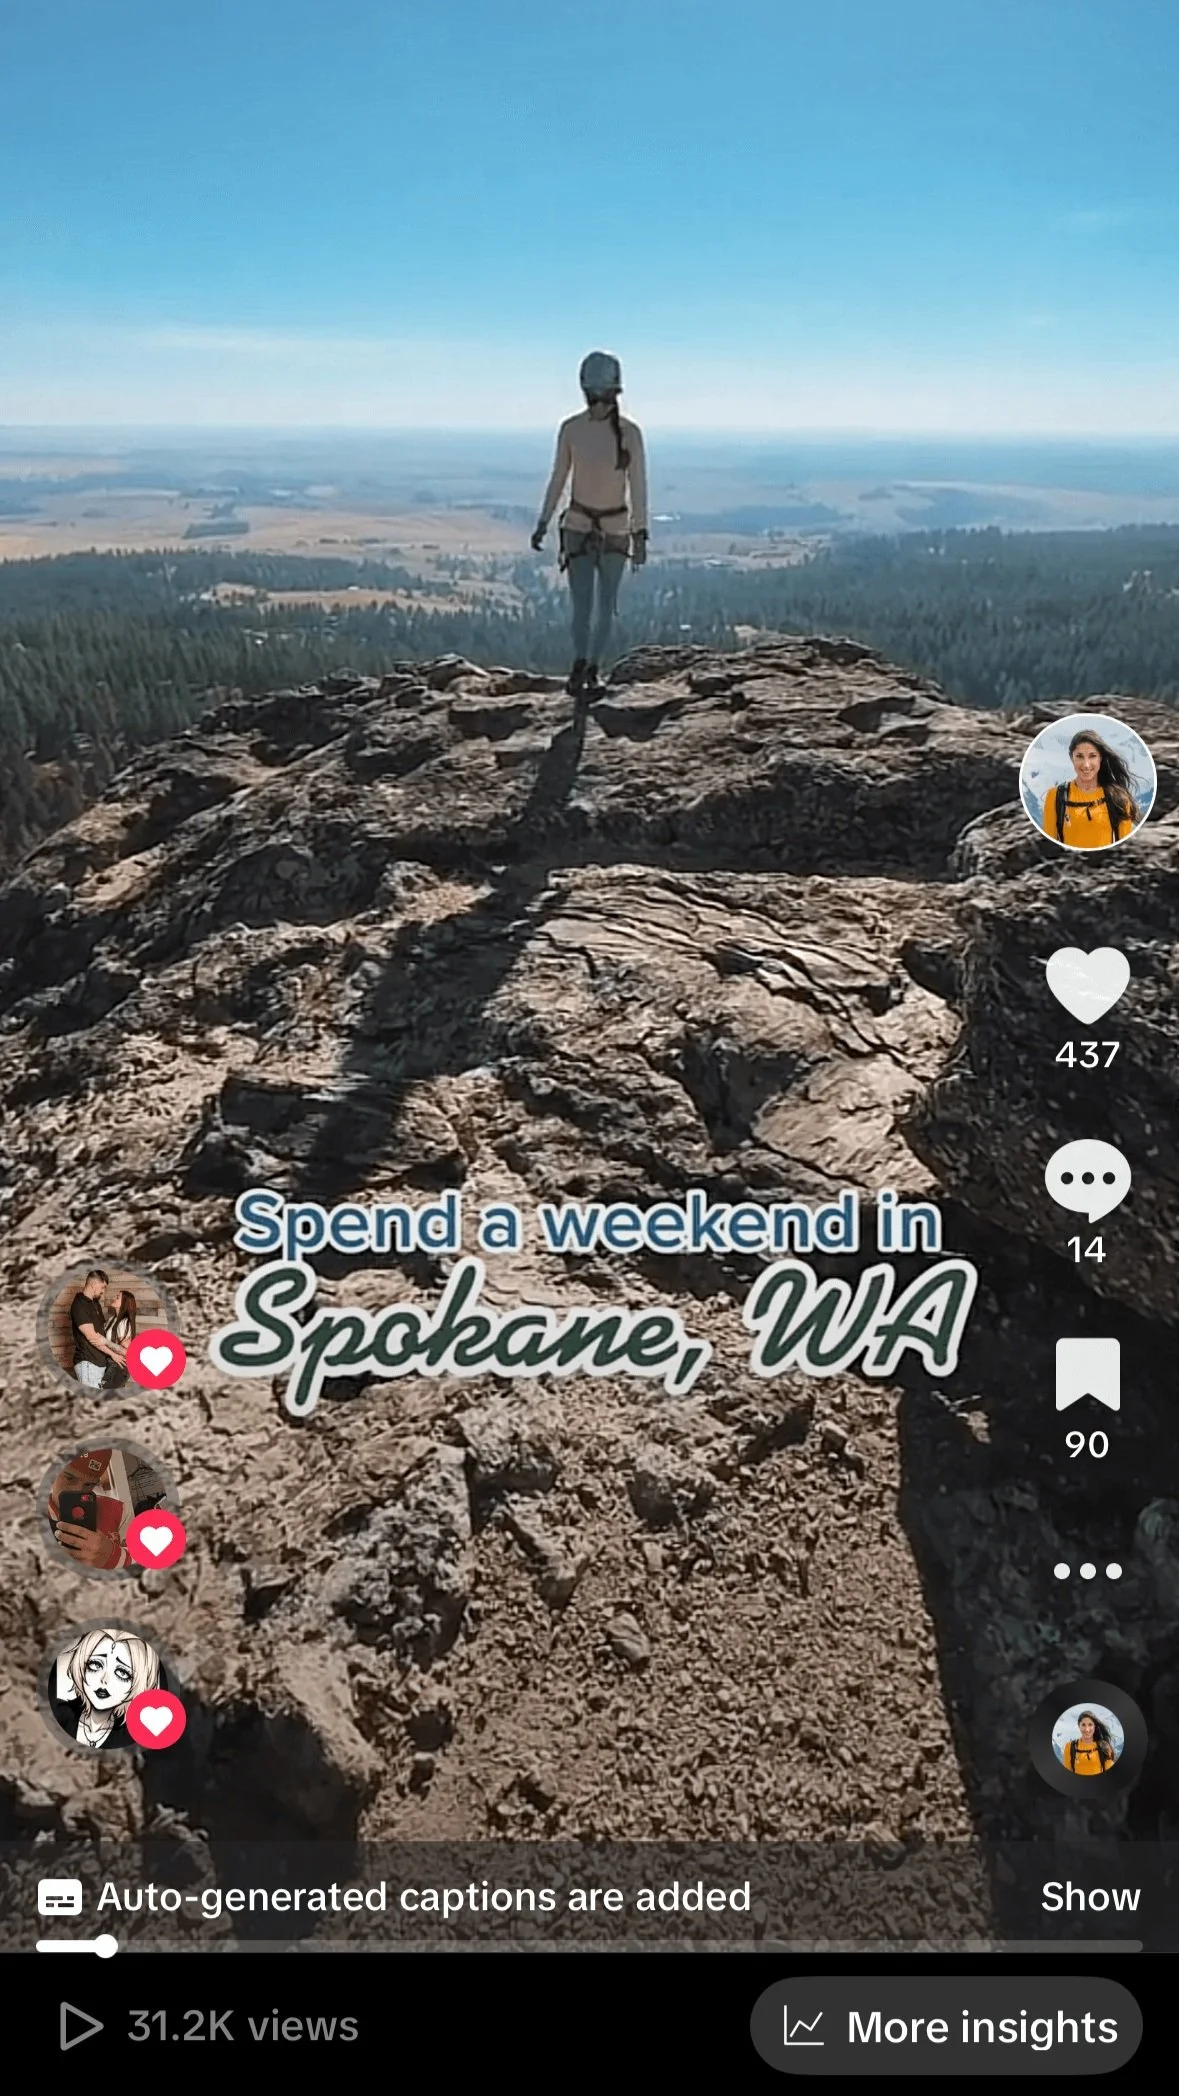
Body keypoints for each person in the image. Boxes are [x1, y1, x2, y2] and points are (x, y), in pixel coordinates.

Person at [531, 351, 649, 698]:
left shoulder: (615, 433)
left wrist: (640, 533)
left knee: (596, 608)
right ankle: (585, 665)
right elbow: (559, 479)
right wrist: (543, 520)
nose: (596, 402)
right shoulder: (599, 431)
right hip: (594, 527)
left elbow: (638, 485)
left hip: (594, 527)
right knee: (589, 607)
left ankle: (589, 667)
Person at [48, 1445, 171, 1572]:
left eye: (89, 1484)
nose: (78, 1490)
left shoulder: (117, 1510)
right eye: (70, 1478)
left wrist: (115, 1557)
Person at [47, 1626, 162, 1750]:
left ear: (140, 1683)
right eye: (95, 1665)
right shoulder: (59, 1715)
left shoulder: (130, 1739)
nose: (104, 1680)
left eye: (122, 1673)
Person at [1041, 729, 1142, 849]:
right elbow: (1048, 847)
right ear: (1072, 758)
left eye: (1092, 756)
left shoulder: (1118, 799)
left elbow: (1123, 851)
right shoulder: (1055, 796)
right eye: (1079, 757)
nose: (1086, 764)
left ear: (1101, 758)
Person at [68, 1270, 127, 1389]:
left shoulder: (95, 1304)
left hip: (99, 1363)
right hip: (88, 1364)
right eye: (103, 1287)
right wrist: (113, 1355)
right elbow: (92, 1337)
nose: (103, 1291)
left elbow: (101, 1334)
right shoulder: (79, 1305)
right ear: (94, 1284)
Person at [1062, 1709, 1117, 1776]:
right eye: (1083, 1725)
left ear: (1095, 1726)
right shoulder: (1070, 1747)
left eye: (1090, 1724)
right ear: (1079, 1726)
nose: (1087, 1729)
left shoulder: (1104, 1747)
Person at [102, 1288, 137, 1390]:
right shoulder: (112, 1319)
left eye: (117, 1297)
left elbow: (127, 1352)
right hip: (110, 1363)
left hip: (119, 1367)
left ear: (124, 1303)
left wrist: (105, 1342)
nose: (114, 1298)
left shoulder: (124, 1322)